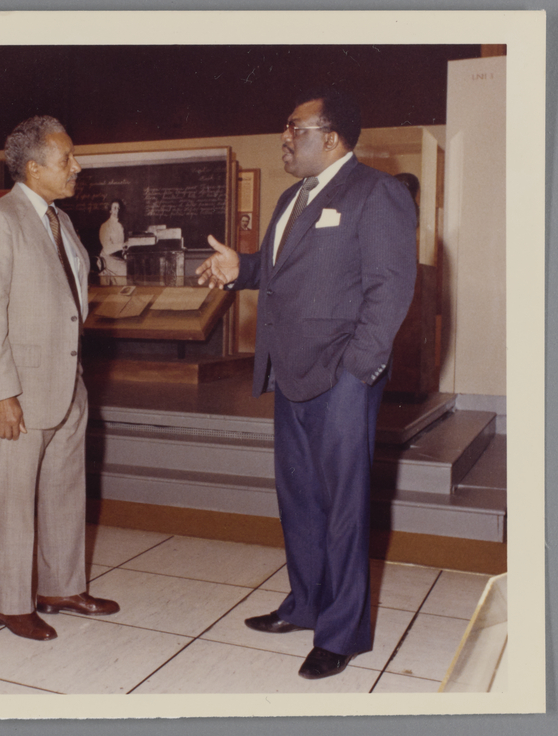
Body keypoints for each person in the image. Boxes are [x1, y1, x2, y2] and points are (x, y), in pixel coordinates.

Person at [196, 88, 416, 679]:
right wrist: (242, 267)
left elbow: (390, 289)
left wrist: (356, 370)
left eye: (295, 127)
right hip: (288, 370)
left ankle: (343, 632)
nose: (285, 138)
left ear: (333, 136)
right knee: (299, 500)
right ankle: (306, 604)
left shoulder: (378, 194)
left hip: (342, 376)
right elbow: (280, 268)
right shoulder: (292, 198)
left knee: (344, 506)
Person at [0, 115, 120, 641]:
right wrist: (2, 395)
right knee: (14, 500)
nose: (77, 167)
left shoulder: (61, 221)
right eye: (66, 159)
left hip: (67, 385)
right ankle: (10, 604)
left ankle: (60, 587)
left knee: (63, 490)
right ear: (33, 168)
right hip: (20, 394)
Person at [98, 199, 127, 280]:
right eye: (114, 208)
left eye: (119, 208)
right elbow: (107, 248)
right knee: (125, 269)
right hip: (108, 258)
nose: (117, 210)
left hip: (118, 257)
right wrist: (122, 246)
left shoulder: (121, 226)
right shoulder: (105, 226)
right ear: (110, 210)